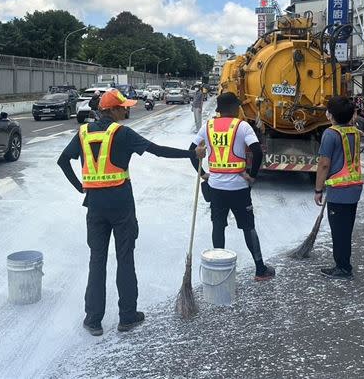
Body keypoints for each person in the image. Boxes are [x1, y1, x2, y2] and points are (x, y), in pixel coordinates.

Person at [57, 88, 207, 336]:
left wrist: (81, 188)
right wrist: (192, 154)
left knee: (97, 259)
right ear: (112, 110)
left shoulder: (83, 133)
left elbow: (63, 161)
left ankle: (93, 319)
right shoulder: (121, 133)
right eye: (123, 106)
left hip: (94, 204)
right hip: (121, 203)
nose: (127, 109)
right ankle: (127, 316)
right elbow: (157, 150)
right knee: (125, 257)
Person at [189, 92, 275, 281]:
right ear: (234, 108)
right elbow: (257, 152)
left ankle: (220, 272)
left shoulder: (208, 126)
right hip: (239, 188)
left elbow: (191, 151)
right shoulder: (242, 126)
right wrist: (252, 176)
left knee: (218, 226)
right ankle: (260, 270)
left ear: (219, 109)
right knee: (248, 227)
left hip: (216, 188)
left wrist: (203, 174)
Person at [314, 96, 363, 279]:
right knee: (346, 229)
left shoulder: (330, 134)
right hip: (353, 188)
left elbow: (324, 164)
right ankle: (344, 263)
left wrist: (318, 189)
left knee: (339, 231)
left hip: (339, 191)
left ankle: (343, 267)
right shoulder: (355, 132)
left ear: (331, 115)